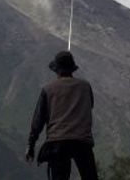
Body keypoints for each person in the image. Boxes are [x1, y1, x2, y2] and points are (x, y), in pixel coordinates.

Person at [25, 51, 98, 180]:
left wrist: (31, 145)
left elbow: (38, 121)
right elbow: (90, 106)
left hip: (58, 142)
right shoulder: (85, 87)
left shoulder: (48, 89)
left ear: (56, 70)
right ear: (72, 69)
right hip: (82, 141)